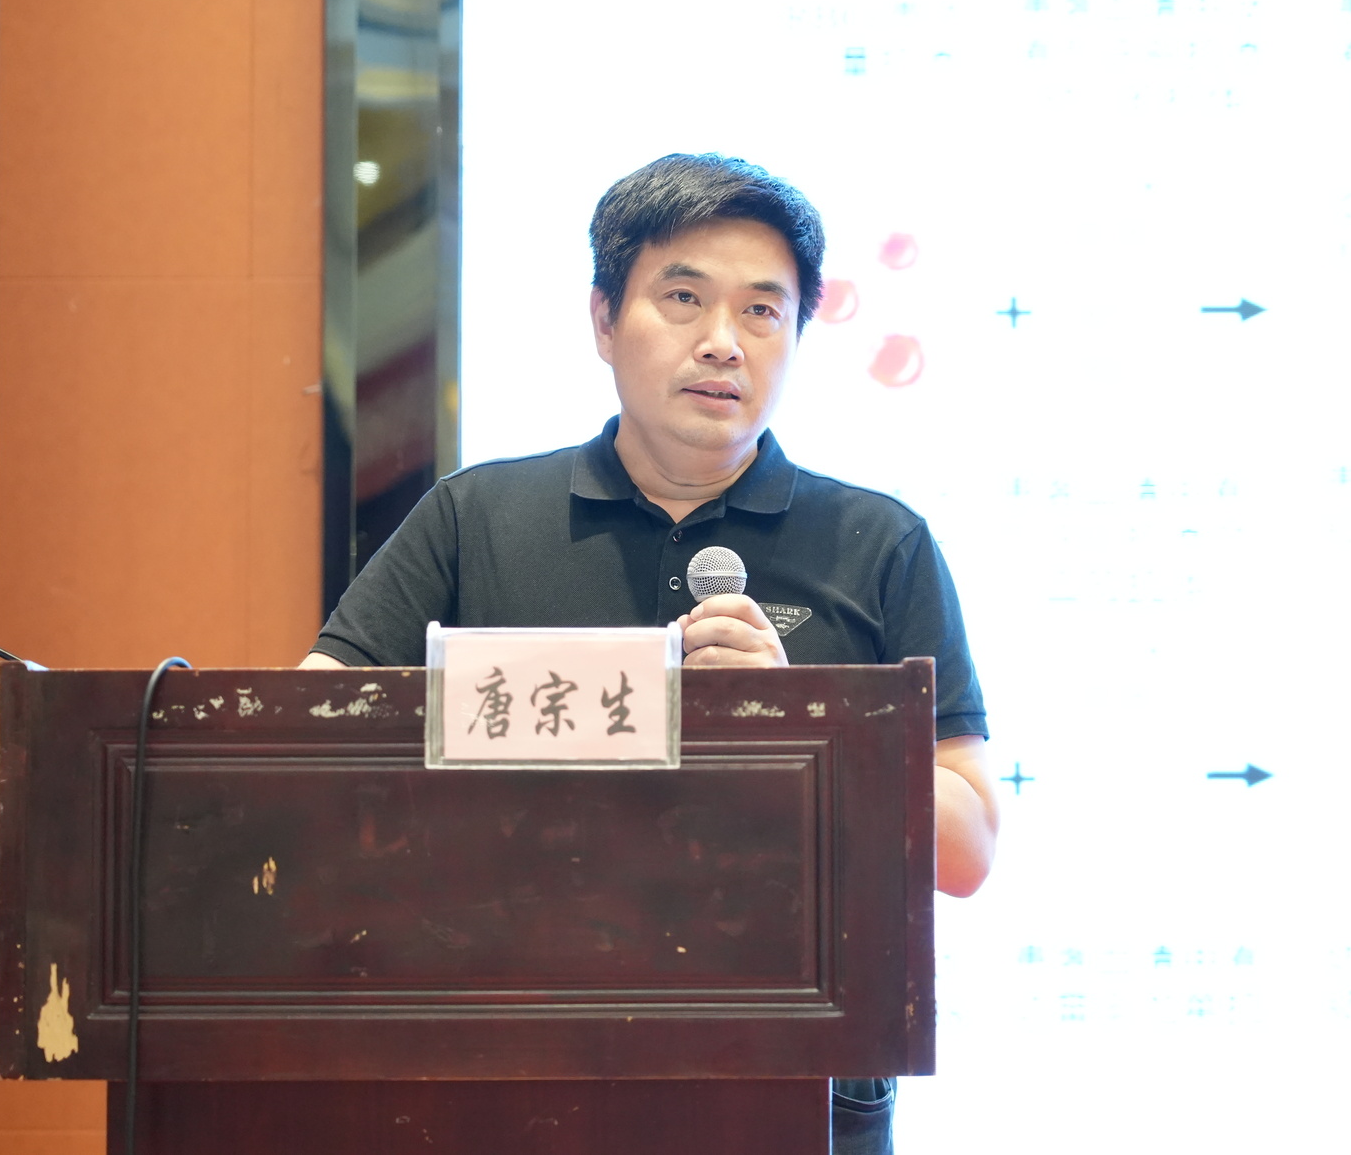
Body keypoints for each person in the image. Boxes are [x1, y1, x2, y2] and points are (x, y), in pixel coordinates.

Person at [302, 152, 1000, 1154]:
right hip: (509, 1071)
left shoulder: (878, 544)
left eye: (762, 311)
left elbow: (967, 851)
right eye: (682, 298)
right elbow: (304, 750)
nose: (722, 341)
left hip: (795, 1083)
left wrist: (807, 723)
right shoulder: (474, 519)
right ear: (602, 318)